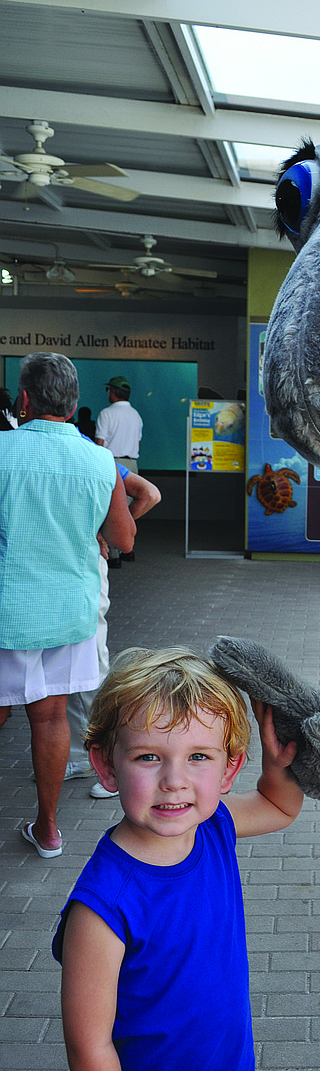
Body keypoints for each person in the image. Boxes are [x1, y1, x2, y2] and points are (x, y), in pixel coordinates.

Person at [52, 646, 303, 1071]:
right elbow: (87, 1044)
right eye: (148, 757)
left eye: (199, 757)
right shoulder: (103, 906)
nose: (174, 781)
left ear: (229, 766)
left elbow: (280, 807)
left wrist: (280, 765)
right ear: (105, 764)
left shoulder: (212, 829)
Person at [0, 353, 135, 857]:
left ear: (25, 399)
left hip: (8, 609)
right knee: (51, 718)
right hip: (68, 613)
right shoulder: (99, 460)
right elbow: (123, 538)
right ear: (75, 403)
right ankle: (49, 828)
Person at [64, 467, 162, 795]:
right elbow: (149, 493)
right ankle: (82, 757)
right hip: (77, 575)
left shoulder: (94, 456)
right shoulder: (94, 455)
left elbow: (149, 494)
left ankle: (116, 764)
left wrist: (107, 531)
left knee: (92, 668)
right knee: (71, 673)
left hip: (77, 576)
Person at [96, 375, 144, 565]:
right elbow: (138, 442)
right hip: (132, 464)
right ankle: (128, 549)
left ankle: (113, 555)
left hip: (112, 463)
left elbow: (99, 444)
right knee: (130, 507)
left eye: (108, 390)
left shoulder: (106, 414)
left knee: (110, 508)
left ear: (113, 392)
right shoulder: (136, 415)